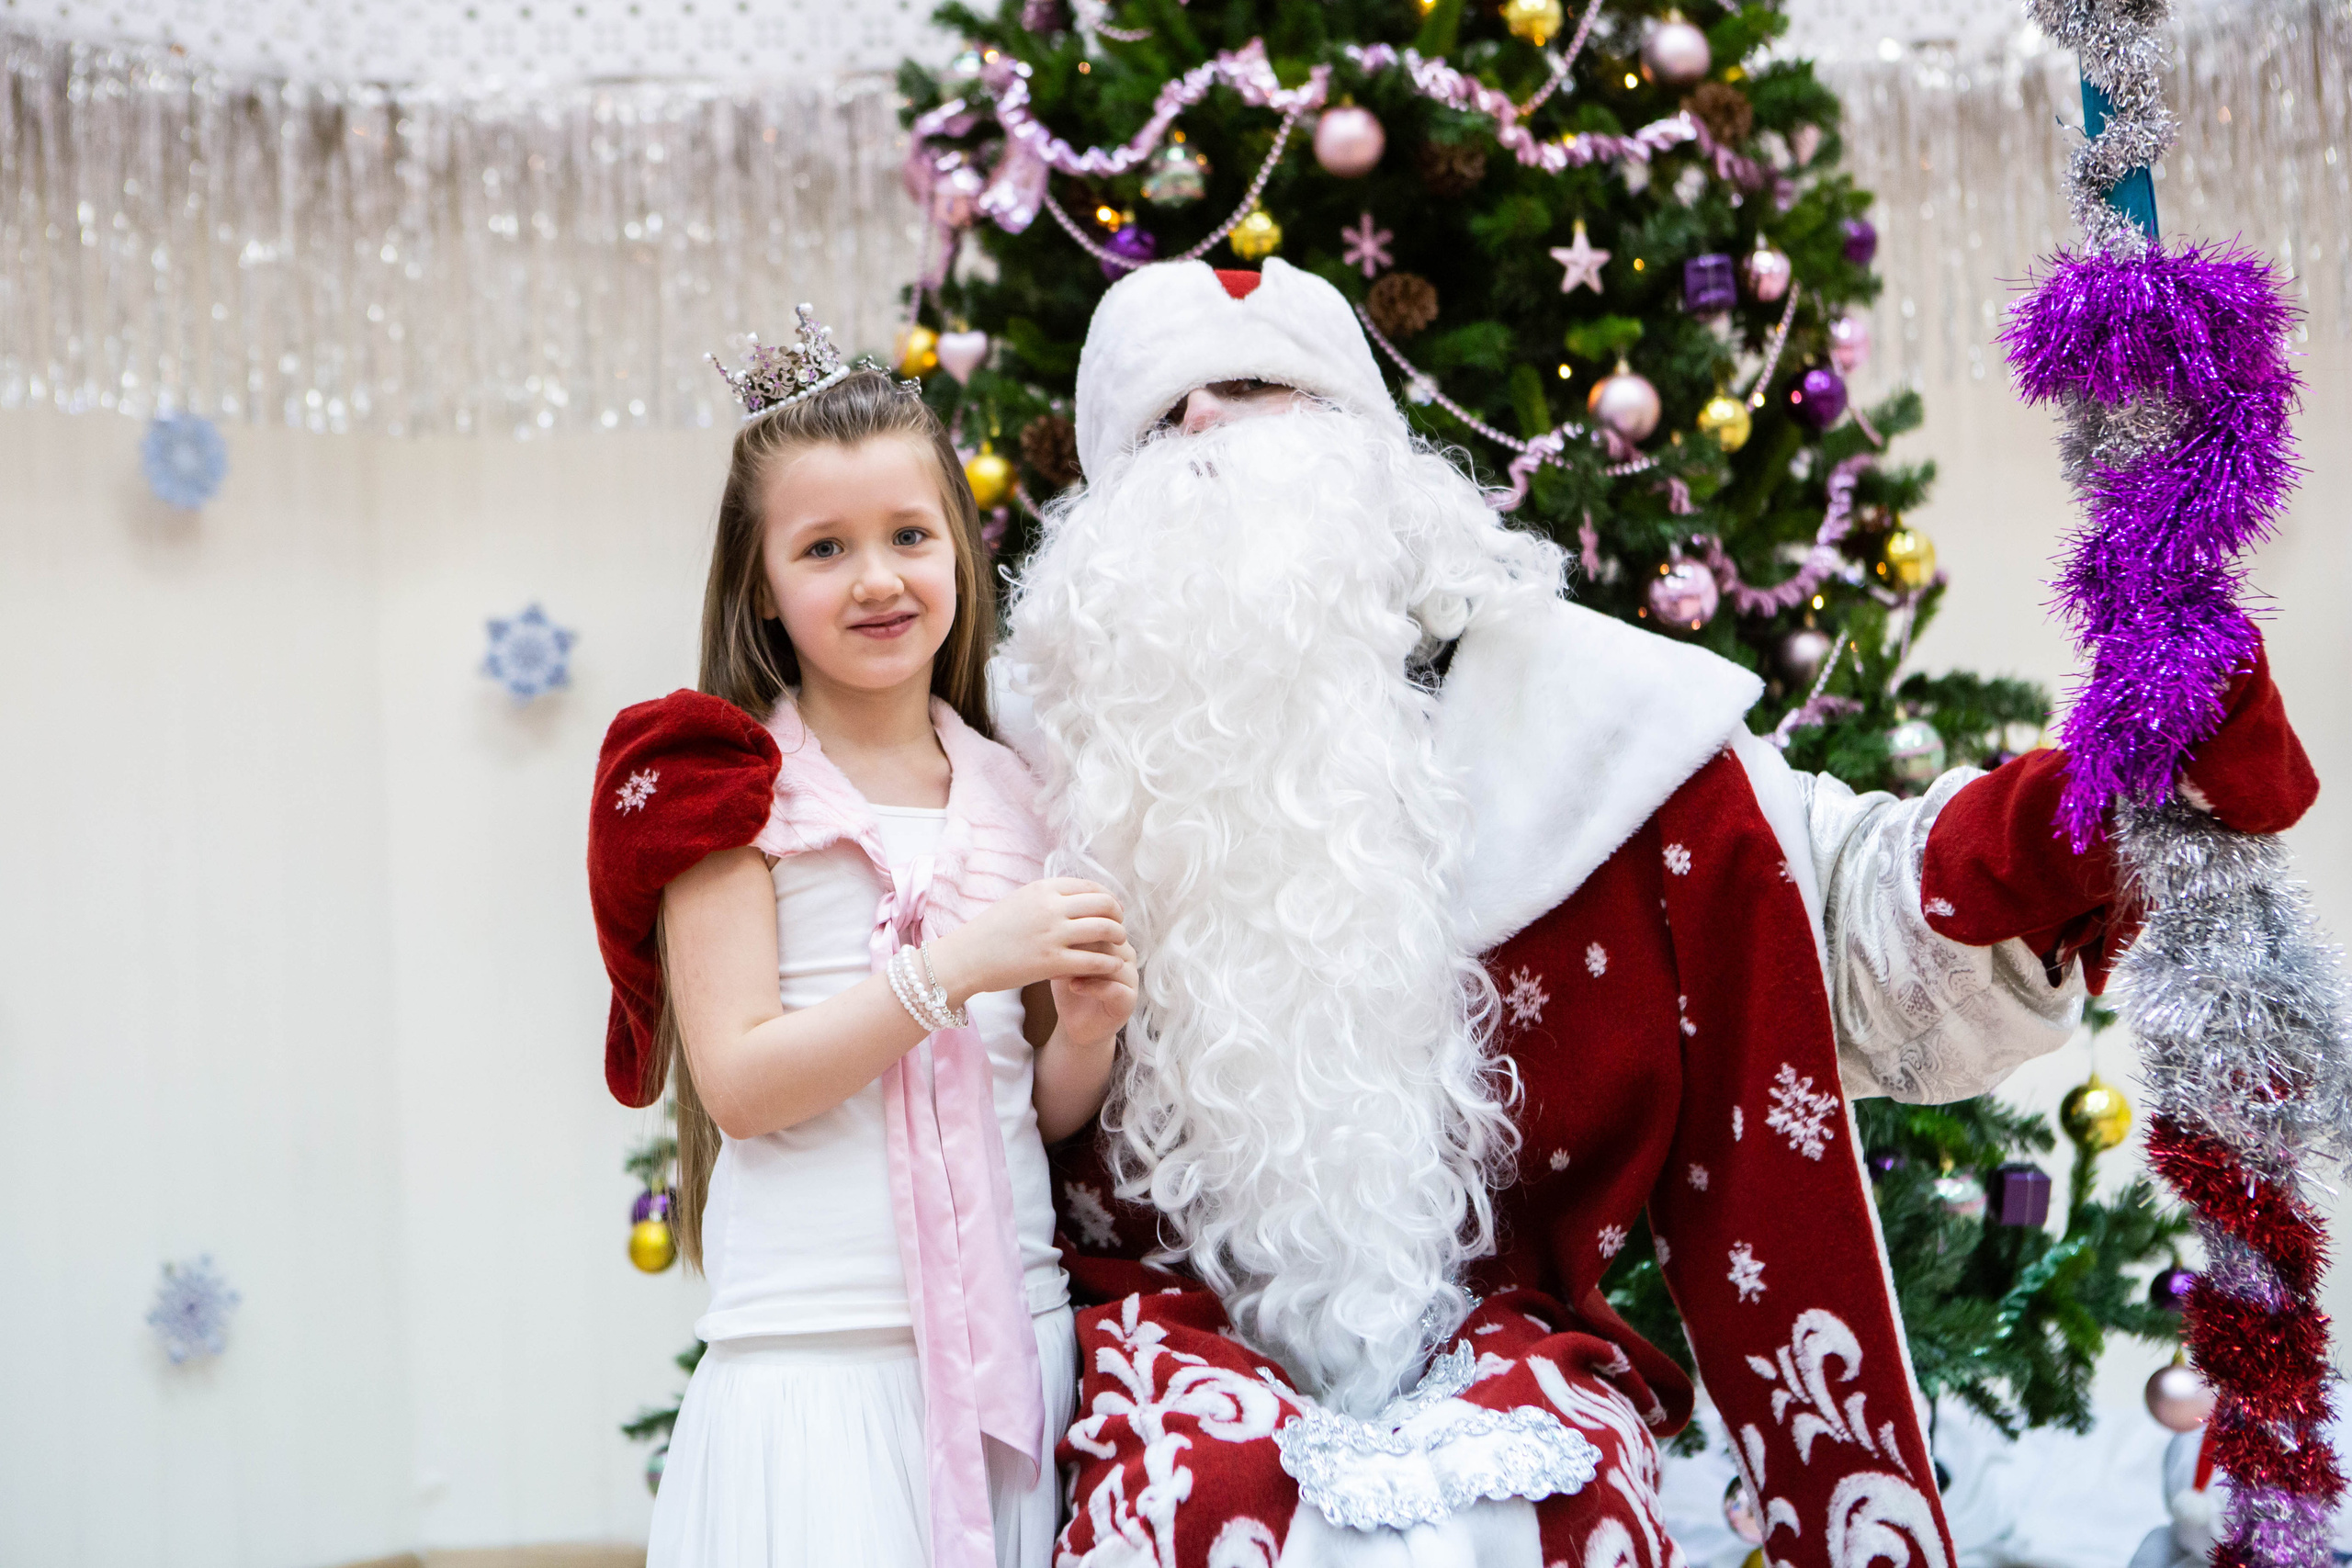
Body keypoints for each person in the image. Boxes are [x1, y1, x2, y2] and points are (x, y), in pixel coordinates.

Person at [994, 260, 2319, 1567]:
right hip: (1154, 1345)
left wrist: (2085, 803)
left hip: (1508, 1347)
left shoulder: (1595, 725)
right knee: (1200, 1507)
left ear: (1365, 448)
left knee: (1548, 1515)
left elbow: (1843, 923)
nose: (1210, 430)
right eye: (1162, 419)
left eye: (1252, 386)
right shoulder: (1021, 770)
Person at [584, 308, 1138, 1568]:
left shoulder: (1018, 790)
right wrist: (954, 966)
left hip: (1013, 1347)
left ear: (958, 553)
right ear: (765, 588)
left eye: (908, 536)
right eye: (825, 548)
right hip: (819, 1359)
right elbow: (742, 1083)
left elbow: (1026, 1107)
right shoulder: (735, 794)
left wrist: (1088, 1037)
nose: (878, 578)